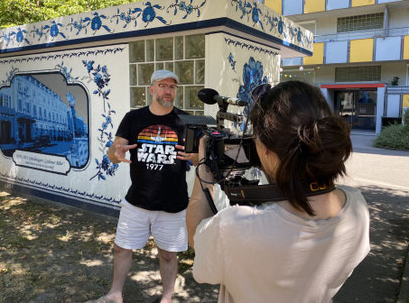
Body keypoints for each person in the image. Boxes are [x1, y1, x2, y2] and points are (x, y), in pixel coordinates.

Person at [186, 80, 370, 303]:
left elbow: (197, 237)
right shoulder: (357, 206)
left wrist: (204, 166)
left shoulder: (236, 227)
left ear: (264, 149)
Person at [88, 69, 198, 303]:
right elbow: (114, 152)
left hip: (173, 203)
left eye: (172, 87)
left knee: (169, 255)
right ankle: (115, 294)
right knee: (121, 248)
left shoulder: (186, 121)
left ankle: (166, 298)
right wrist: (115, 154)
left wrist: (194, 156)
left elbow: (200, 158)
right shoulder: (133, 118)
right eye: (162, 85)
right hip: (137, 201)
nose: (167, 91)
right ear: (151, 89)